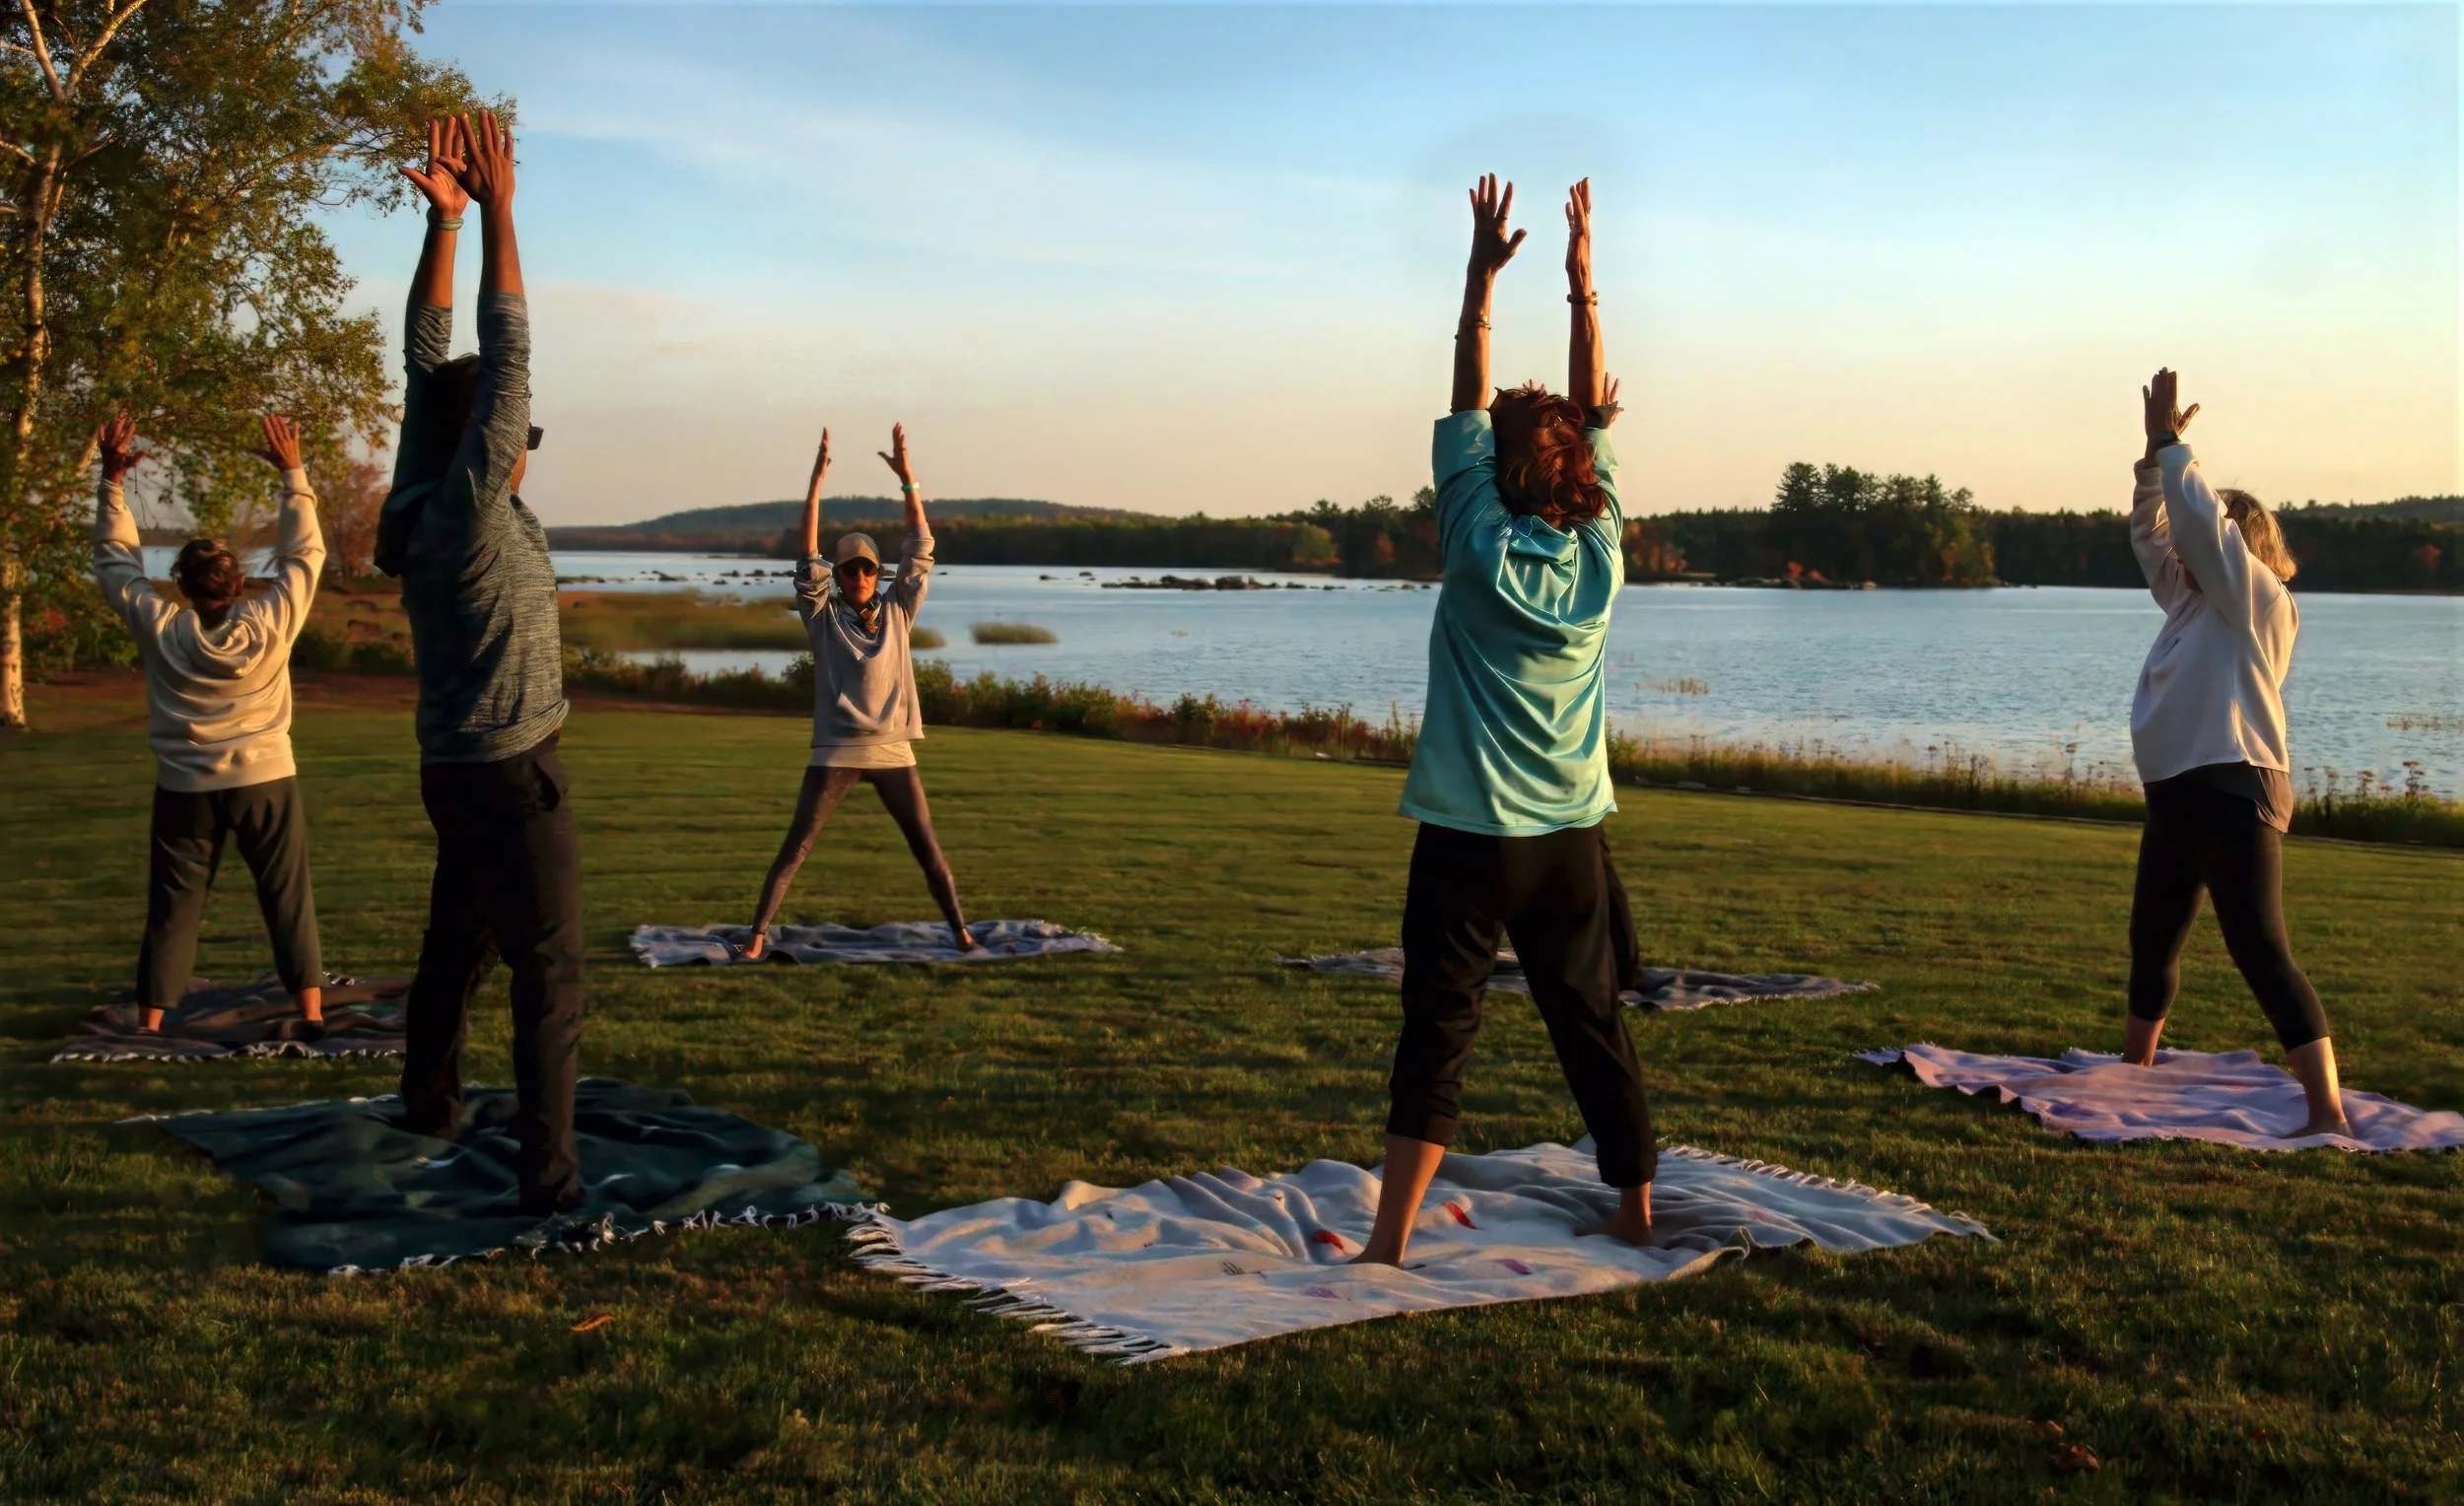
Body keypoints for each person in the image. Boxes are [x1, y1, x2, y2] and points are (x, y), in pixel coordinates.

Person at [1353, 176, 1653, 1266]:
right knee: (1592, 1024)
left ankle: (1388, 1242)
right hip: (1568, 840)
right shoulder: (1604, 551)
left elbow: (1473, 405)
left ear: (1497, 469)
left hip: (1466, 836)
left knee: (1437, 1031)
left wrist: (1480, 282)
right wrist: (1582, 284)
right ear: (1579, 471)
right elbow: (1596, 415)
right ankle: (1635, 1214)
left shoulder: (1473, 539)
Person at [381, 113, 585, 1214]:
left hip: (454, 769)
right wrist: (505, 210)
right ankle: (548, 1182)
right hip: (512, 773)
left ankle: (427, 1104)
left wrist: (442, 224)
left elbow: (429, 366)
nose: (524, 449)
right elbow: (502, 355)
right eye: (516, 438)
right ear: (488, 445)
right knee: (549, 975)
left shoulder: (418, 499)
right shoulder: (465, 501)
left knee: (456, 940)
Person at [2123, 368, 2348, 1137]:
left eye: (2206, 537)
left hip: (2234, 790)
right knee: (2152, 943)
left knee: (2261, 951)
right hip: (2179, 797)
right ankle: (2133, 1077)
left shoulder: (2255, 601)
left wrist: (2175, 449)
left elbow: (2198, 530)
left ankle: (2327, 1114)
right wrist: (2154, 462)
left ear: (2237, 544)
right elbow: (2155, 534)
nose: (2181, 553)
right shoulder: (2189, 600)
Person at [90, 411, 329, 1034]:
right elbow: (305, 554)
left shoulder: (161, 624)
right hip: (266, 782)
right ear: (238, 582)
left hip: (184, 790)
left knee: (173, 908)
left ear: (183, 587)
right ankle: (310, 1009)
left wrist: (112, 480)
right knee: (287, 898)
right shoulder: (270, 620)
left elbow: (116, 564)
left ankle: (150, 1023)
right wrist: (291, 471)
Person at [741, 423, 986, 959]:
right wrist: (814, 484)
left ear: (878, 573)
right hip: (837, 752)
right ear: (838, 574)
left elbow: (921, 545)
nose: (857, 576)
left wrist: (908, 480)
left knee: (927, 849)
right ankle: (756, 939)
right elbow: (807, 555)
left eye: (866, 569)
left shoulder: (899, 609)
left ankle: (963, 934)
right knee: (796, 847)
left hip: (894, 749)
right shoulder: (821, 614)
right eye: (848, 569)